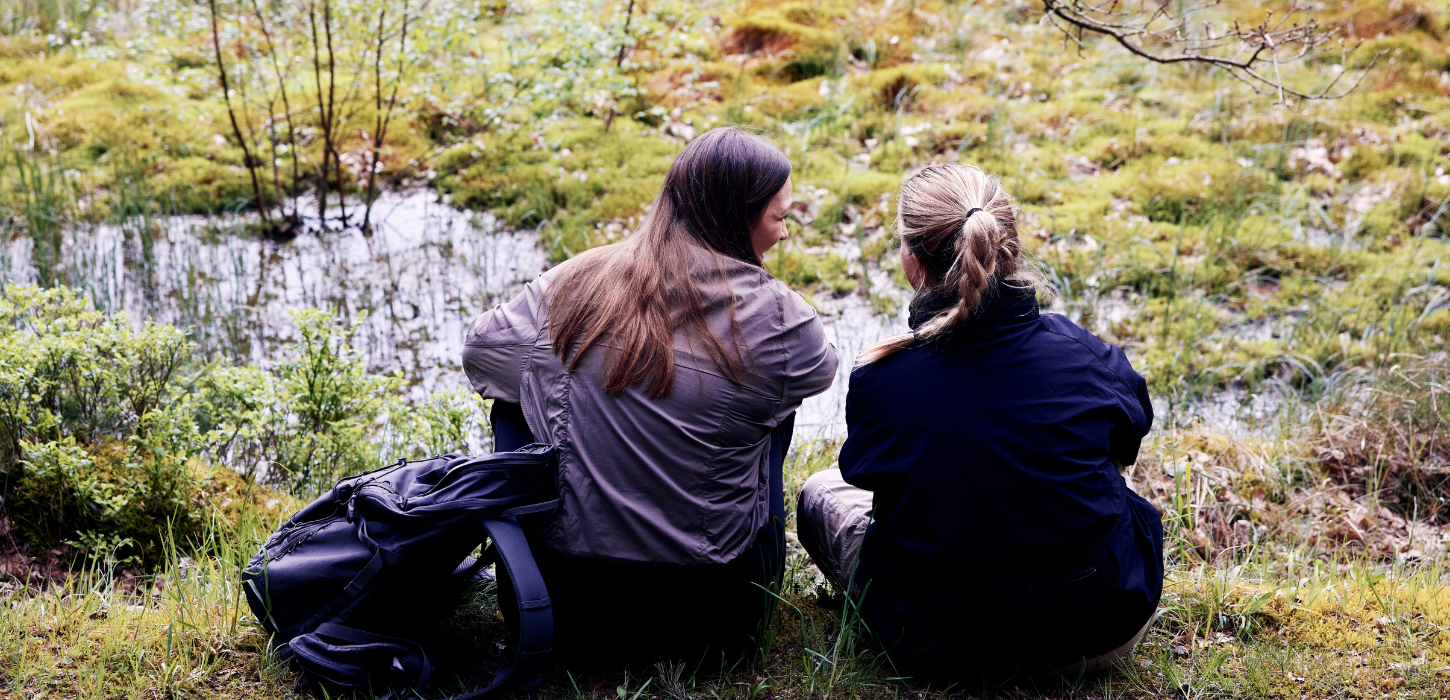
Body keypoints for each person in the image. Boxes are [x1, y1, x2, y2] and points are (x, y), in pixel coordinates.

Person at [462, 127, 838, 666]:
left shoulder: (573, 281)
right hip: (711, 621)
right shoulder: (783, 319)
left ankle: (541, 550)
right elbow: (821, 371)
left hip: (559, 607)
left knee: (517, 398)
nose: (784, 235)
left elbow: (481, 354)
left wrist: (582, 382)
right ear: (738, 217)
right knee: (774, 406)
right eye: (779, 219)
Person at [796, 163, 1162, 679]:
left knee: (820, 492)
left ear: (913, 260)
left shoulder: (883, 378)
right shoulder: (1083, 355)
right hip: (1100, 623)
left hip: (938, 641)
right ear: (1007, 245)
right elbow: (1128, 439)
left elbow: (866, 479)